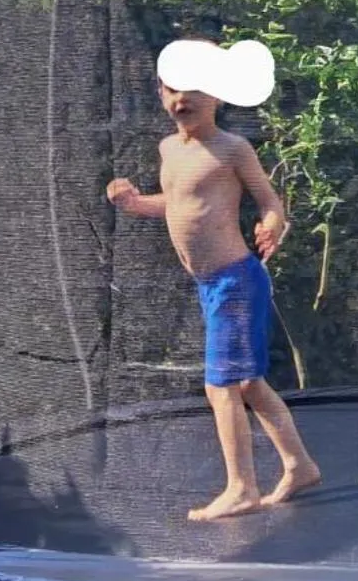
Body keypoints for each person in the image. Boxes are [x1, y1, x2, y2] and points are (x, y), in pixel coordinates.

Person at [107, 38, 321, 521]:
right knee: (247, 384)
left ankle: (242, 487)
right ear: (161, 92)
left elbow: (270, 201)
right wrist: (138, 203)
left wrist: (272, 224)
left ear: (219, 96)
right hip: (209, 286)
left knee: (220, 386)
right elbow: (179, 202)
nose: (183, 99)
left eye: (196, 89)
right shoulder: (168, 149)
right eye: (173, 89)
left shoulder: (232, 148)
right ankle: (299, 464)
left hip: (236, 281)